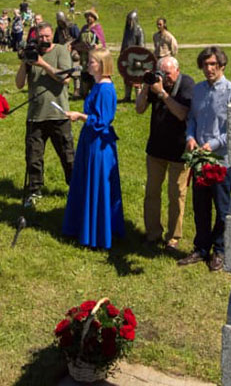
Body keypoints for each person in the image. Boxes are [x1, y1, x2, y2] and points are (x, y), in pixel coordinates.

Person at [179, 46, 231, 272]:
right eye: (205, 65)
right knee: (201, 205)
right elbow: (192, 120)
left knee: (223, 208)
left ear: (222, 66)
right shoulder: (198, 90)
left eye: (213, 64)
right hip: (199, 159)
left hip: (221, 160)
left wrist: (212, 144)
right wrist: (190, 137)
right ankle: (201, 247)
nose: (208, 69)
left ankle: (221, 250)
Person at [62, 49, 123, 249]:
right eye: (89, 61)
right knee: (85, 181)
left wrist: (80, 116)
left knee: (97, 185)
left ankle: (97, 232)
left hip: (99, 143)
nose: (89, 65)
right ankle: (83, 225)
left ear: (103, 65)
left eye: (93, 62)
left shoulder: (106, 89)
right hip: (90, 139)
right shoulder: (97, 86)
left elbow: (103, 121)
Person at [134, 55, 195, 251]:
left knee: (176, 195)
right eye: (162, 74)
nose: (165, 78)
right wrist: (146, 86)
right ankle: (152, 233)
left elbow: (182, 113)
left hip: (179, 150)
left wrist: (162, 93)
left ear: (177, 71)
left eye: (168, 74)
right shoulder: (156, 83)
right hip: (156, 149)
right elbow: (139, 109)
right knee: (152, 193)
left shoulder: (186, 84)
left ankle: (173, 238)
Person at [14, 20, 74, 207]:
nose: (44, 40)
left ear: (52, 36)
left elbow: (65, 78)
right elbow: (19, 84)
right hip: (36, 115)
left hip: (59, 114)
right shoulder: (32, 53)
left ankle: (75, 188)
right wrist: (25, 63)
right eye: (41, 37)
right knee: (33, 157)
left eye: (47, 36)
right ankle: (34, 191)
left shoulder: (60, 51)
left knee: (68, 155)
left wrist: (42, 64)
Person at [119, 10, 145, 102]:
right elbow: (124, 43)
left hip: (136, 58)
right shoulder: (127, 30)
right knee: (127, 77)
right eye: (128, 20)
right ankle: (127, 96)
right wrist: (122, 54)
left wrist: (139, 58)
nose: (129, 22)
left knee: (136, 78)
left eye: (131, 20)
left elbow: (141, 46)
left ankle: (139, 98)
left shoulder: (139, 30)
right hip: (127, 57)